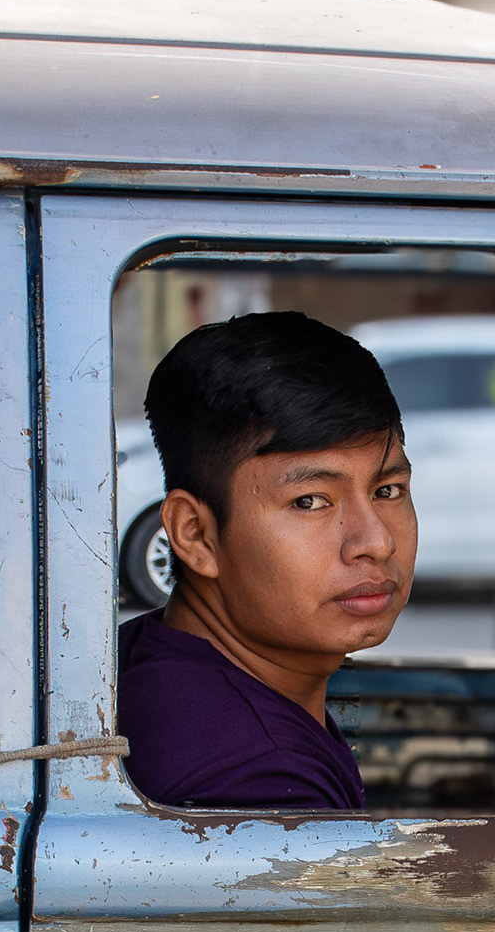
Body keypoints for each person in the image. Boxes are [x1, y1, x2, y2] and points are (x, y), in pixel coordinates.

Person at [118, 311, 416, 809]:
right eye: (310, 501)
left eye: (388, 490)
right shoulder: (255, 782)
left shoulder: (154, 655)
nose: (376, 541)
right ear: (196, 535)